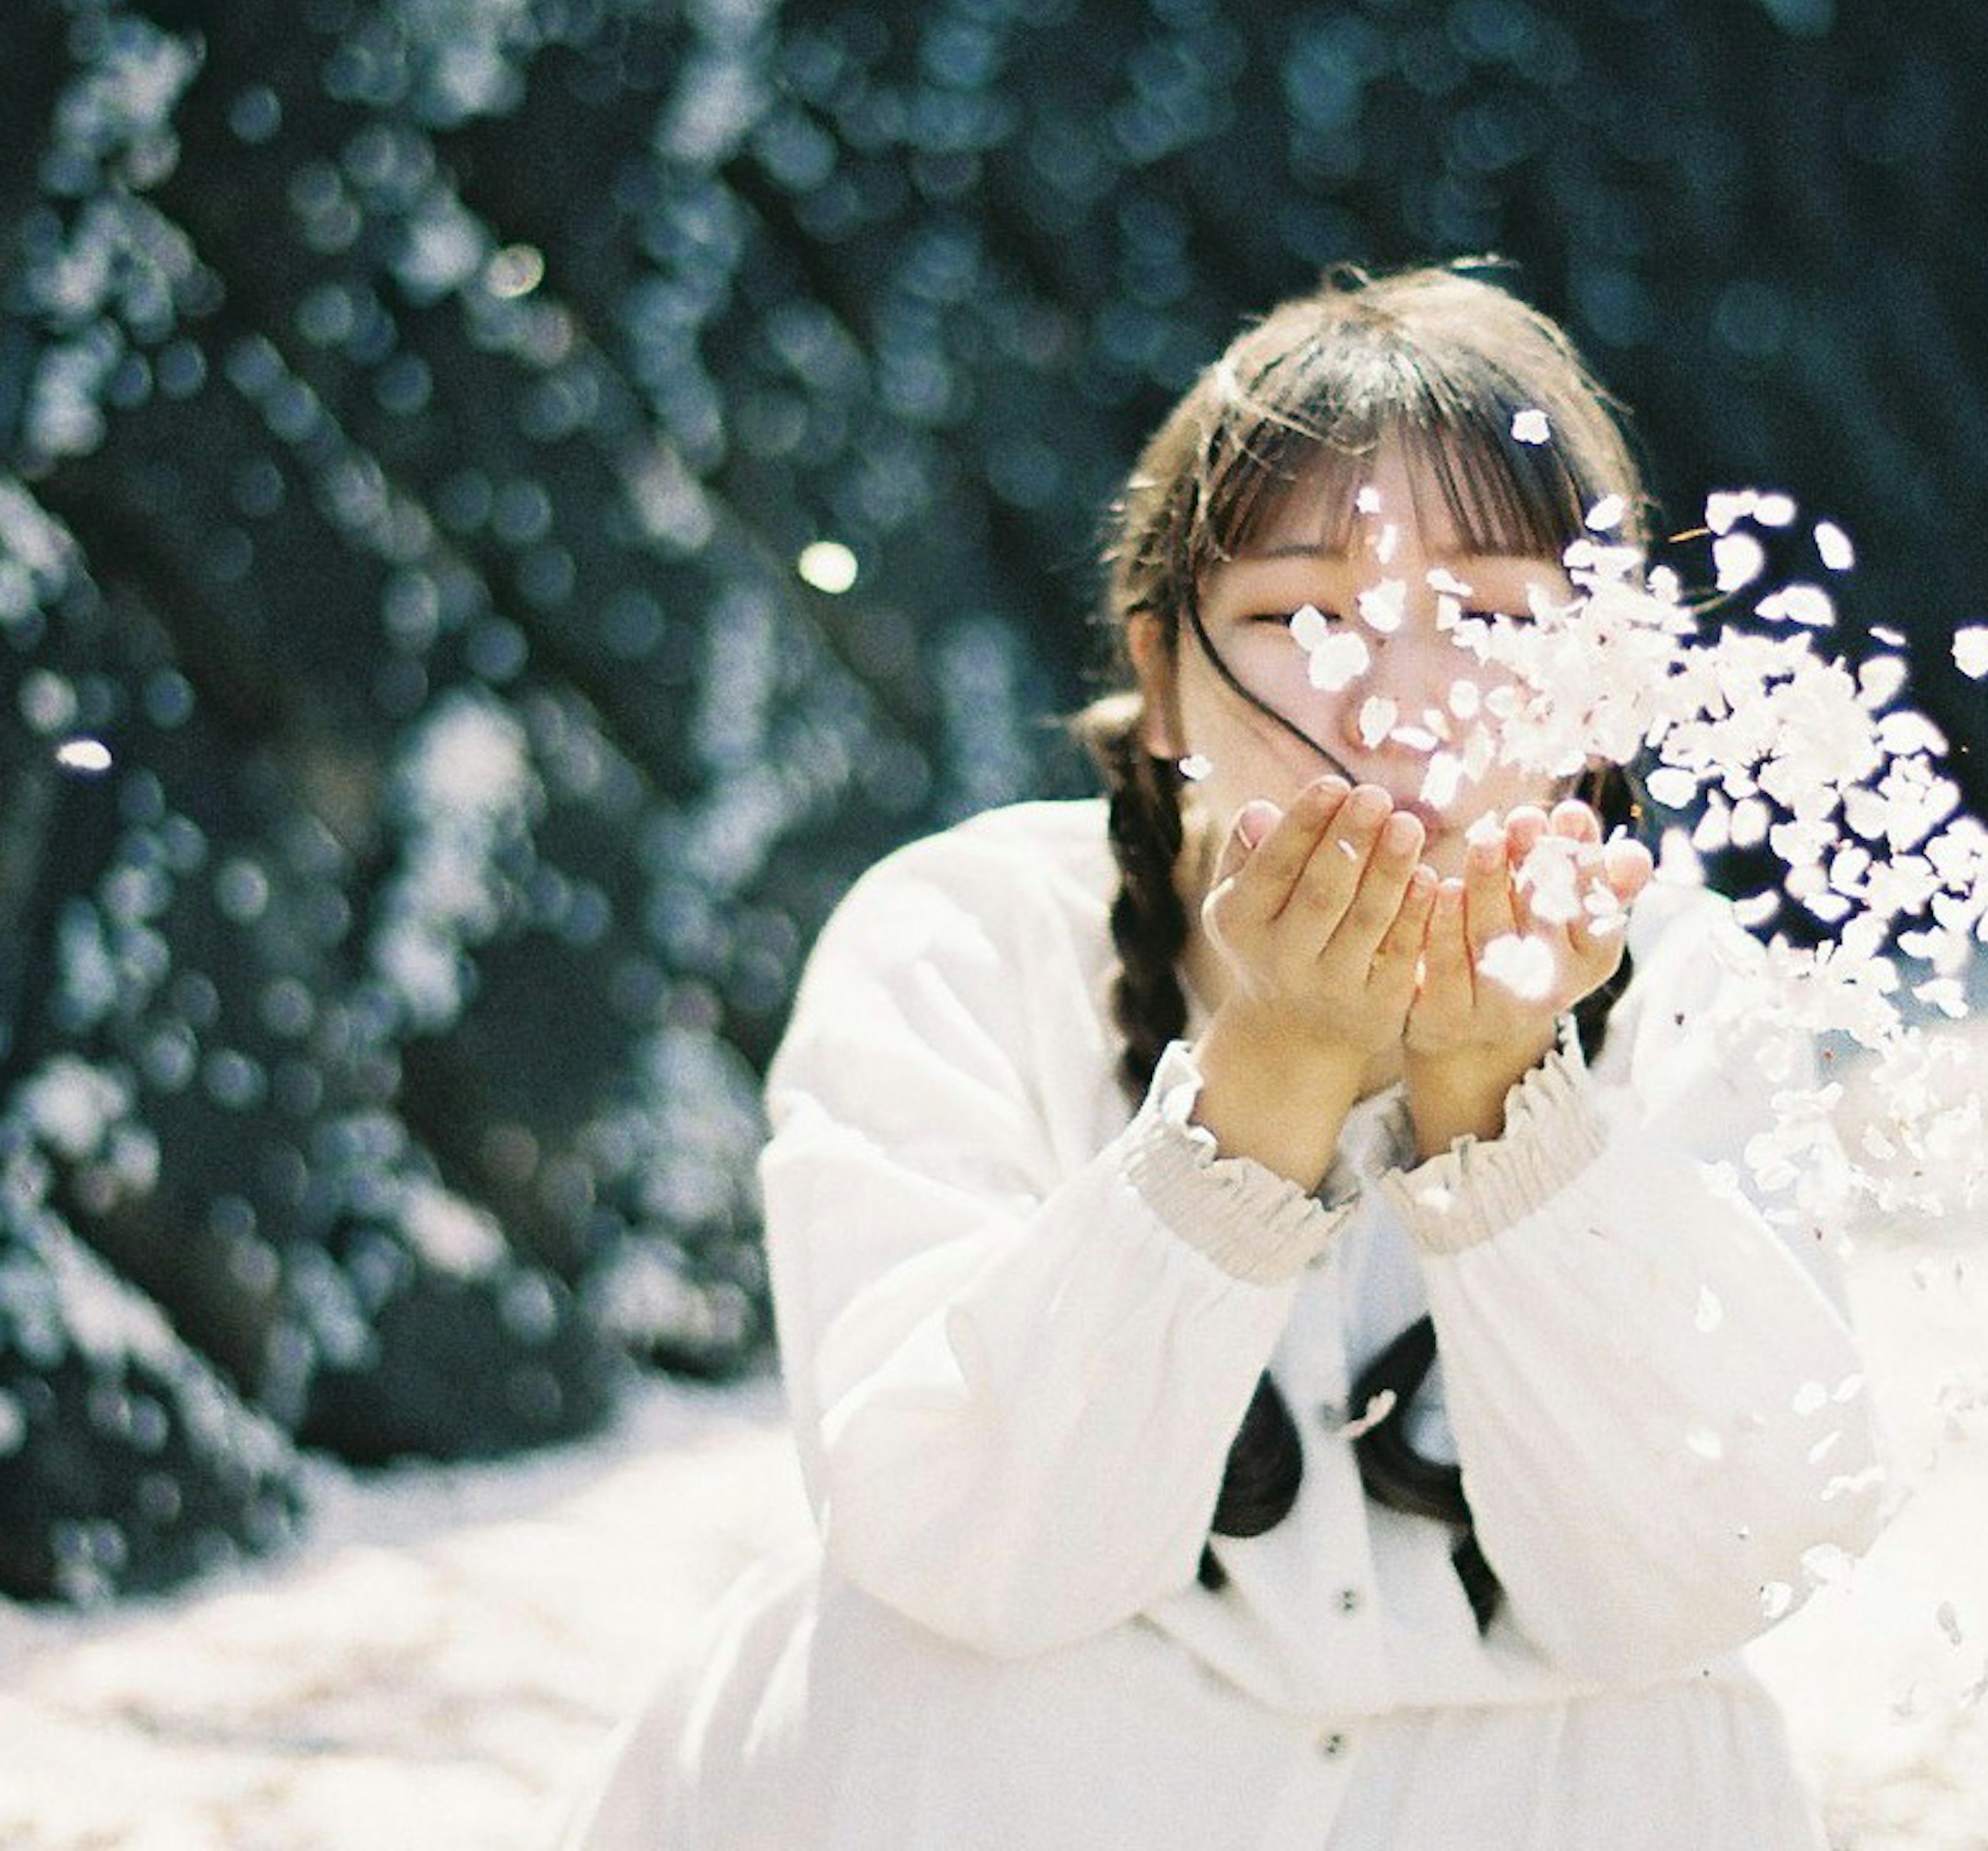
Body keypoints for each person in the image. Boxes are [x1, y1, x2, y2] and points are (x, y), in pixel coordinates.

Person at [552, 265, 1891, 1850]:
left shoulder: (1692, 989)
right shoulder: (967, 942)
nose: (1402, 703)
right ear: (1164, 674)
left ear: (1604, 687)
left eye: (1490, 615)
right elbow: (956, 1539)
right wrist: (1264, 1089)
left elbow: (1713, 1567)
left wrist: (1498, 1117)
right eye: (1306, 615)